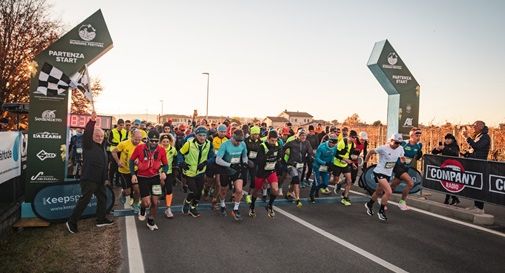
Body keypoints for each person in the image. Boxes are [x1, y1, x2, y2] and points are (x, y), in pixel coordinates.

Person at [66, 112, 113, 234]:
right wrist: (92, 122)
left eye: (101, 136)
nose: (99, 138)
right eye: (97, 136)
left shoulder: (101, 146)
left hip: (100, 180)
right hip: (89, 179)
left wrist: (106, 178)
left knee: (102, 198)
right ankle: (71, 222)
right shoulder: (88, 145)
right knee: (84, 200)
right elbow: (87, 132)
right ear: (92, 136)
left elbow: (103, 165)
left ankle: (101, 219)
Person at [130, 130, 168, 231]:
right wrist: (133, 174)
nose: (154, 143)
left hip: (155, 177)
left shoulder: (161, 150)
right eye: (152, 141)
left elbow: (166, 164)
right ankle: (142, 208)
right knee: (146, 203)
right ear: (147, 139)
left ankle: (150, 220)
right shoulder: (139, 148)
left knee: (155, 202)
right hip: (142, 178)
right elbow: (131, 160)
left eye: (156, 141)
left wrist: (164, 172)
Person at [364, 134, 406, 221]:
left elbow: (402, 157)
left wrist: (402, 159)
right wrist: (365, 163)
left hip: (388, 173)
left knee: (379, 191)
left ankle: (369, 204)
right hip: (379, 172)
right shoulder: (383, 148)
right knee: (389, 191)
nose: (397, 144)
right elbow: (371, 152)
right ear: (391, 140)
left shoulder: (400, 148)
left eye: (399, 143)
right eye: (396, 142)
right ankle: (381, 211)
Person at [179, 126, 214, 217]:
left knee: (199, 193)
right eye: (200, 135)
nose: (202, 137)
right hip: (189, 171)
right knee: (193, 191)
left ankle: (193, 207)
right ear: (195, 135)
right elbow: (180, 153)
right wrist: (182, 162)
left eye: (204, 135)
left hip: (200, 172)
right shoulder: (189, 144)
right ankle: (187, 202)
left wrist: (205, 162)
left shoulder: (209, 144)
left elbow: (212, 157)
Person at [216, 129, 248, 221]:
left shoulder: (243, 144)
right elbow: (217, 160)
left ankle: (235, 209)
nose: (238, 143)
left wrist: (245, 162)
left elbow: (244, 156)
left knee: (239, 190)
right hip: (225, 169)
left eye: (240, 141)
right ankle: (222, 205)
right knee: (223, 190)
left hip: (236, 169)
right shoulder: (225, 145)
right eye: (237, 140)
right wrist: (229, 164)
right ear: (232, 137)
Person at [249, 130, 282, 218]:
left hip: (271, 171)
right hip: (261, 171)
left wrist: (279, 163)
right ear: (268, 138)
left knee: (275, 190)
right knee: (256, 191)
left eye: (275, 140)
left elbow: (279, 157)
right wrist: (268, 154)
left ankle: (269, 205)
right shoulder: (262, 146)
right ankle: (252, 206)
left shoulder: (278, 145)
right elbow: (258, 161)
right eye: (272, 140)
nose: (274, 142)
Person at [389, 127, 423, 210]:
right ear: (411, 135)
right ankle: (402, 202)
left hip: (406, 167)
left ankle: (382, 196)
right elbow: (391, 148)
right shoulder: (404, 143)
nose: (418, 137)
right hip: (398, 166)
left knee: (394, 185)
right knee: (410, 183)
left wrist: (419, 155)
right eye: (416, 135)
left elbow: (417, 157)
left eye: (419, 135)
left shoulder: (419, 145)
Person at [462, 120, 490, 212]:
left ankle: (480, 207)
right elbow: (474, 149)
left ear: (481, 126)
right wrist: (467, 154)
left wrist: (467, 137)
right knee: (475, 186)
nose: (473, 127)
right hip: (475, 163)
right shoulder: (478, 136)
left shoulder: (485, 137)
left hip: (480, 164)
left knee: (479, 185)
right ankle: (476, 206)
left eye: (475, 125)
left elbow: (477, 147)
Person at [112, 130, 143, 211]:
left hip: (135, 170)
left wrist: (139, 161)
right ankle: (123, 193)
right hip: (124, 170)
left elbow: (144, 157)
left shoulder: (142, 145)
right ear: (131, 136)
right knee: (128, 192)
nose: (137, 141)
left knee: (137, 189)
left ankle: (135, 203)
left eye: (139, 139)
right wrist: (118, 161)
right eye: (136, 139)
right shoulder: (124, 143)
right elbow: (113, 152)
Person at [282, 129, 314, 207]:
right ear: (298, 135)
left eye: (305, 135)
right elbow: (283, 148)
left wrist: (310, 157)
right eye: (302, 135)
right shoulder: (292, 143)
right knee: (296, 179)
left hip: (301, 165)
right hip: (291, 164)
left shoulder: (307, 143)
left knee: (296, 181)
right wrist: (282, 159)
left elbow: (310, 152)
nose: (303, 137)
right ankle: (297, 199)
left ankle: (289, 193)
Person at [432, 133, 460, 205]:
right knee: (446, 183)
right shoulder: (445, 146)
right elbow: (434, 152)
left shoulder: (455, 146)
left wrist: (444, 148)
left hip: (453, 167)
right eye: (446, 139)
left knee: (450, 183)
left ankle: (450, 199)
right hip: (445, 166)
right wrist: (437, 148)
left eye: (449, 139)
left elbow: (454, 153)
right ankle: (453, 199)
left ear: (452, 140)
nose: (447, 140)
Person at [309, 133, 338, 203]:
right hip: (317, 166)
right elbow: (317, 158)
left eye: (335, 143)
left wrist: (332, 163)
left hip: (326, 167)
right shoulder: (321, 147)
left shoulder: (335, 147)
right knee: (317, 182)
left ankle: (316, 189)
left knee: (325, 184)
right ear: (330, 141)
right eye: (333, 143)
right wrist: (325, 163)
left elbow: (333, 156)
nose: (334, 145)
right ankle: (311, 195)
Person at [332, 130, 358, 206]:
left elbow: (350, 156)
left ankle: (345, 197)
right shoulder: (342, 143)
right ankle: (336, 184)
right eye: (353, 137)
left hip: (345, 165)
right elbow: (336, 154)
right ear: (349, 136)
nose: (355, 139)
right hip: (337, 163)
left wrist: (352, 163)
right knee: (335, 180)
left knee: (349, 181)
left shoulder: (353, 145)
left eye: (355, 138)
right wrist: (344, 159)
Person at [160, 133, 178, 218]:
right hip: (158, 172)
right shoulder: (158, 149)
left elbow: (175, 158)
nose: (165, 143)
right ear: (161, 142)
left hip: (169, 172)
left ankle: (168, 208)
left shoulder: (173, 149)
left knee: (169, 189)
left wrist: (175, 169)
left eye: (167, 141)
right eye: (164, 141)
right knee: (157, 189)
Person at [244, 126, 262, 204]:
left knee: (253, 180)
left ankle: (249, 195)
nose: (256, 136)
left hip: (254, 163)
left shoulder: (260, 142)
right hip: (245, 161)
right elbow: (242, 152)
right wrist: (247, 160)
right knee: (243, 180)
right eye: (254, 134)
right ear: (251, 133)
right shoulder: (245, 141)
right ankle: (235, 194)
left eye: (257, 134)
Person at [107, 119, 127, 187]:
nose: (122, 127)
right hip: (113, 150)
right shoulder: (112, 131)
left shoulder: (125, 131)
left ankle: (117, 182)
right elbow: (109, 141)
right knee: (113, 167)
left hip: (121, 151)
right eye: (120, 125)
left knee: (120, 166)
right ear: (117, 125)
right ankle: (111, 181)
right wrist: (117, 144)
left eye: (122, 125)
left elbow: (126, 140)